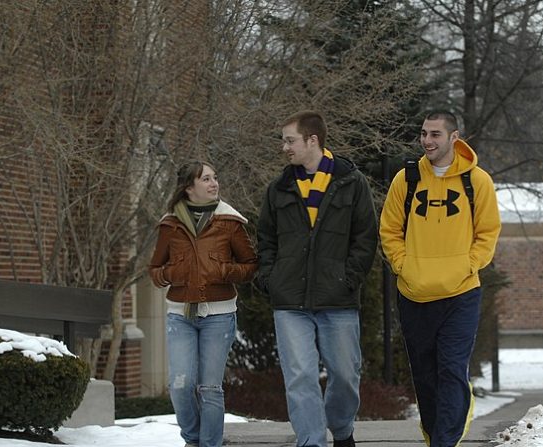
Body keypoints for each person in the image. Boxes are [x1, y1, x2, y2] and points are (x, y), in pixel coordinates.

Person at [256, 111, 378, 447]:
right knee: (300, 377)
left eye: (290, 140)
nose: (284, 147)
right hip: (290, 301)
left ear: (313, 140)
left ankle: (342, 430)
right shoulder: (278, 189)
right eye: (284, 140)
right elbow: (265, 239)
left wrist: (348, 277)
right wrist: (269, 278)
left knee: (345, 375)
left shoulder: (352, 184)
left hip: (337, 298)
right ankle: (310, 441)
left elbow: (366, 237)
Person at [379, 111, 501, 447]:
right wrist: (403, 265)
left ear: (454, 137)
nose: (427, 141)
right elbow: (389, 229)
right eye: (423, 134)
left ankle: (445, 441)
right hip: (414, 292)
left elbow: (488, 232)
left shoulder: (477, 182)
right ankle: (435, 435)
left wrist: (469, 264)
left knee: (451, 370)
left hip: (461, 292)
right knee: (425, 376)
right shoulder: (406, 180)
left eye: (435, 134)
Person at [148, 161, 258, 447]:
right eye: (206, 179)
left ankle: (209, 444)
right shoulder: (170, 225)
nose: (214, 183)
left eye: (215, 177)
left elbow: (250, 265)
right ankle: (193, 439)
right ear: (188, 188)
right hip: (180, 316)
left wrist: (224, 270)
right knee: (181, 386)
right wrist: (174, 273)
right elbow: (155, 271)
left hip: (219, 315)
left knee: (210, 388)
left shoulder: (229, 222)